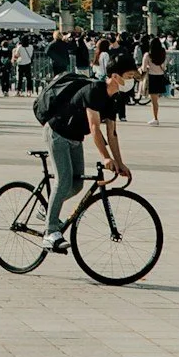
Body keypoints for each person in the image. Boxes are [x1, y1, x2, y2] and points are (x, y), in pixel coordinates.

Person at [43, 58, 137, 254]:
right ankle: (50, 233)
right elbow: (94, 127)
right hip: (57, 132)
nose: (131, 81)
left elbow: (112, 134)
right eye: (129, 76)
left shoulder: (115, 98)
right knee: (64, 180)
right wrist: (105, 157)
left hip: (75, 137)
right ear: (115, 76)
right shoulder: (95, 90)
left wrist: (120, 163)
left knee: (77, 184)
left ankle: (50, 208)